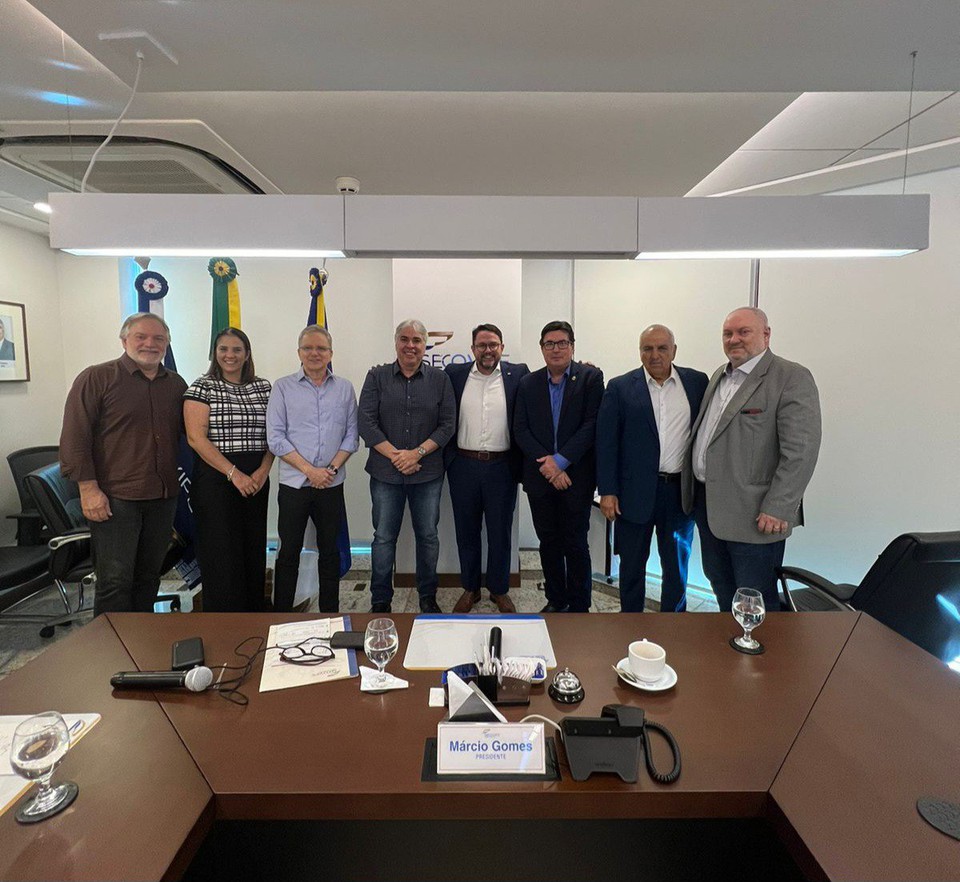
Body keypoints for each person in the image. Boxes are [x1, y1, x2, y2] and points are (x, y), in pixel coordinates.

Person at [682, 307, 822, 612]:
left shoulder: (790, 377)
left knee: (755, 598)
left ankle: (758, 656)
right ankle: (732, 650)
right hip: (710, 509)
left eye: (744, 332)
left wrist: (779, 506)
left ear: (766, 335)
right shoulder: (721, 374)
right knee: (721, 586)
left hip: (757, 516)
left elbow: (801, 450)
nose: (734, 339)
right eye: (728, 333)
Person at [60, 313, 187, 615]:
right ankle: (111, 650)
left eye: (159, 338)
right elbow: (75, 437)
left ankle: (139, 639)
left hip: (163, 496)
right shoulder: (96, 378)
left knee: (148, 576)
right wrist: (88, 490)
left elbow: (189, 434)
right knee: (115, 581)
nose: (150, 344)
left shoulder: (176, 384)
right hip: (116, 499)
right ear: (124, 339)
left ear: (167, 344)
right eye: (141, 336)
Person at [597, 324, 708, 613]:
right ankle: (631, 622)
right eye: (648, 348)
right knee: (632, 568)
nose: (655, 355)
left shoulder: (697, 383)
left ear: (674, 350)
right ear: (640, 352)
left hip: (680, 494)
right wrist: (607, 491)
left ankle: (674, 622)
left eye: (662, 348)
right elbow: (606, 443)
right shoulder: (620, 387)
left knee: (676, 566)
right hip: (633, 494)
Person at [358, 319, 456, 614]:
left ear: (425, 345)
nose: (410, 345)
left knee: (428, 536)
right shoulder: (376, 377)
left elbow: (448, 424)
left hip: (427, 473)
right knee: (384, 537)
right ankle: (380, 599)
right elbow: (366, 422)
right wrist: (398, 456)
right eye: (404, 339)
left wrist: (417, 454)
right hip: (385, 473)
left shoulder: (440, 380)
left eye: (416, 340)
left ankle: (428, 596)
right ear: (396, 342)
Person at [266, 325, 358, 613]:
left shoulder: (344, 388)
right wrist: (310, 470)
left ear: (331, 353)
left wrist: (327, 470)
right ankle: (281, 615)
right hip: (294, 485)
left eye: (321, 348)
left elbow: (351, 436)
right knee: (289, 552)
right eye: (308, 348)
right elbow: (275, 437)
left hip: (330, 483)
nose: (314, 353)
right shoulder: (282, 387)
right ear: (299, 352)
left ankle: (330, 614)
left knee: (330, 552)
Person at [514, 320, 604, 613]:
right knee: (548, 542)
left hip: (576, 477)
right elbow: (521, 429)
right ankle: (555, 598)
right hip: (540, 479)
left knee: (576, 543)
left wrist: (561, 461)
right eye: (549, 343)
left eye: (562, 342)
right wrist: (549, 466)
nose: (556, 349)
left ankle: (579, 605)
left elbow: (592, 425)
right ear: (541, 349)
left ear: (572, 346)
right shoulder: (528, 383)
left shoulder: (590, 377)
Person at [183, 328, 274, 612]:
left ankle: (253, 614)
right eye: (223, 349)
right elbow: (196, 438)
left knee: (253, 549)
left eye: (237, 350)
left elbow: (277, 434)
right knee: (222, 553)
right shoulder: (202, 387)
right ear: (215, 353)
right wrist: (234, 474)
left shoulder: (264, 387)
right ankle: (224, 621)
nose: (230, 355)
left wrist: (262, 472)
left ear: (247, 354)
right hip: (216, 479)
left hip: (256, 479)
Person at [445, 323, 529, 614]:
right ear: (472, 349)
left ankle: (499, 590)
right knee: (466, 531)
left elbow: (546, 384)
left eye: (493, 344)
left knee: (500, 532)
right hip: (463, 466)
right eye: (482, 345)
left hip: (502, 467)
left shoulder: (518, 374)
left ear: (502, 348)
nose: (488, 350)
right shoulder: (454, 375)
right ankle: (471, 589)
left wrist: (581, 368)